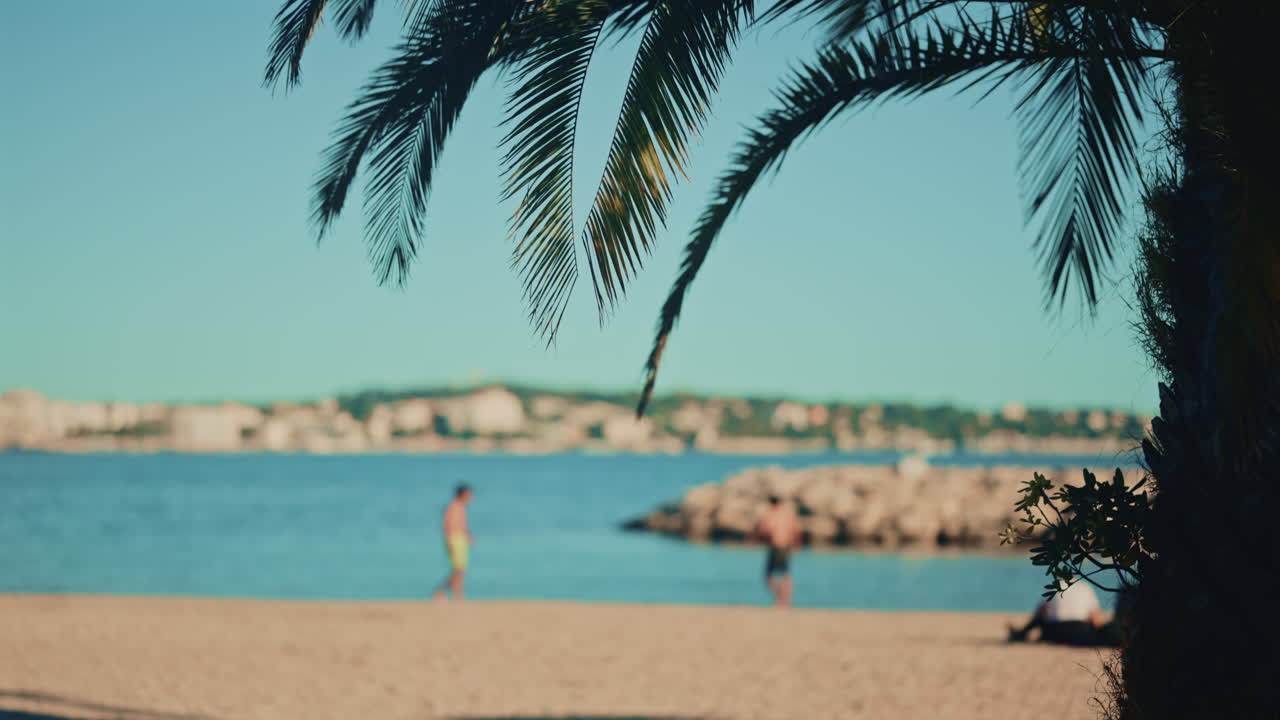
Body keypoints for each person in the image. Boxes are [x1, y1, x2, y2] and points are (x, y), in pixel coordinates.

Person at [1007, 579, 1121, 647]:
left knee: (1041, 620)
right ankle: (1021, 634)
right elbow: (1096, 619)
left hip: (1055, 630)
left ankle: (1021, 633)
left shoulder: (1055, 586)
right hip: (1079, 629)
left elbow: (1041, 611)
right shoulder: (1085, 587)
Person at [753, 495, 802, 608]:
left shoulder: (770, 515)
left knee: (768, 575)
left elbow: (764, 532)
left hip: (776, 547)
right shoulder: (788, 514)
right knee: (785, 574)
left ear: (771, 504)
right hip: (786, 546)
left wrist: (755, 541)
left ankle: (780, 597)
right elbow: (797, 531)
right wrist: (797, 545)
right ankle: (785, 600)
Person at [433, 484, 473, 601]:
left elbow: (461, 525)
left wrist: (468, 535)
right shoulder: (453, 507)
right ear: (462, 494)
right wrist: (449, 542)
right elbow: (447, 525)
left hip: (461, 540)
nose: (471, 497)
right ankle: (442, 591)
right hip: (454, 539)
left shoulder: (461, 507)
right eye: (469, 494)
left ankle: (458, 594)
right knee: (458, 569)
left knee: (461, 570)